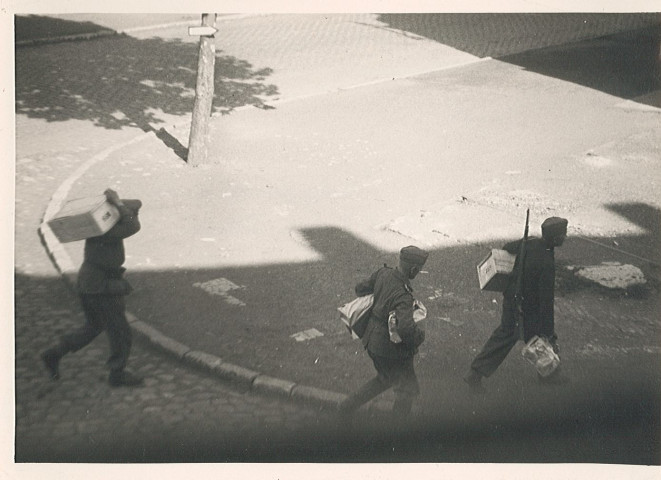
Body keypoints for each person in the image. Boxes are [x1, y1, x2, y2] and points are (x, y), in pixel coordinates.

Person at [41, 188, 144, 387]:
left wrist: (117, 203)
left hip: (89, 282)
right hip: (102, 286)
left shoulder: (97, 227)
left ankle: (54, 354)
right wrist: (119, 204)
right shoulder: (108, 230)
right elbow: (133, 225)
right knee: (121, 331)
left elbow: (133, 208)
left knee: (94, 325)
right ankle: (117, 373)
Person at [464, 217, 569, 392]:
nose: (565, 237)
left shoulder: (530, 243)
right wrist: (549, 331)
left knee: (508, 336)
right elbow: (546, 301)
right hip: (527, 310)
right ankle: (475, 374)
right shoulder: (546, 262)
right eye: (563, 234)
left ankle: (548, 374)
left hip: (512, 299)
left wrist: (523, 250)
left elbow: (507, 248)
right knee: (540, 339)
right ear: (555, 239)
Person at [339, 245, 428, 418]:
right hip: (389, 349)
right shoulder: (404, 295)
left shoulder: (383, 273)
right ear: (414, 269)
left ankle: (346, 407)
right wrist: (419, 337)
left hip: (370, 340)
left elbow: (360, 289)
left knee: (385, 378)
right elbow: (406, 329)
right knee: (407, 390)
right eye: (418, 270)